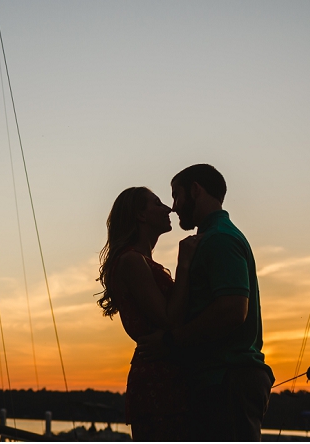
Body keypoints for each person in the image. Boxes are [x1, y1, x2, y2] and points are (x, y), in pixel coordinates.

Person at [159, 164, 274, 441]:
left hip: (227, 380)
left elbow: (233, 309)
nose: (173, 207)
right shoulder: (212, 238)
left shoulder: (219, 239)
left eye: (176, 195)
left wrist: (174, 340)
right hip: (220, 379)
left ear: (195, 190)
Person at [97, 186, 200, 441]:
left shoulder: (139, 260)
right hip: (159, 381)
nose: (168, 208)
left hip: (165, 373)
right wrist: (184, 264)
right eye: (157, 203)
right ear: (140, 216)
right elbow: (168, 318)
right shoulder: (132, 261)